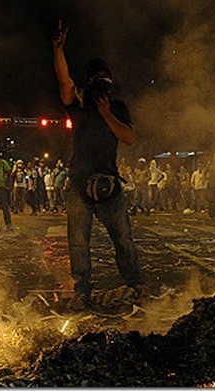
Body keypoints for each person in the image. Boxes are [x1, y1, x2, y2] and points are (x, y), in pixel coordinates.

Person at [53, 20, 144, 310]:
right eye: (97, 79)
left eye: (106, 79)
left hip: (110, 183)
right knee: (78, 243)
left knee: (123, 239)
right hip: (79, 183)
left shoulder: (117, 107)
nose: (102, 84)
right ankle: (83, 291)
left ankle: (135, 285)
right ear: (90, 82)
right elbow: (64, 82)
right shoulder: (78, 103)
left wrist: (107, 115)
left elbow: (128, 137)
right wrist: (58, 50)